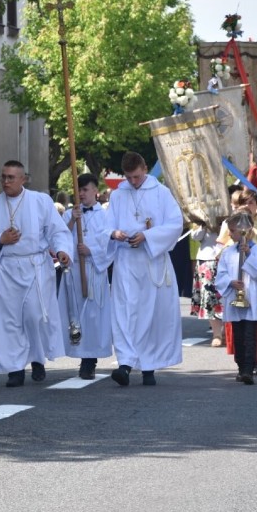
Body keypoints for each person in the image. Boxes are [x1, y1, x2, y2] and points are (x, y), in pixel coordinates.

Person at [0, 160, 72, 387]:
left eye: (11, 177)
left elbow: (57, 230)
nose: (6, 181)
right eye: (4, 177)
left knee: (34, 316)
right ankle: (14, 369)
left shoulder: (40, 201)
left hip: (35, 267)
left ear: (23, 179)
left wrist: (63, 251)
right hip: (6, 269)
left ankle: (37, 359)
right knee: (9, 320)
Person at [106, 151, 183, 386]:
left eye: (137, 177)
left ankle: (148, 366)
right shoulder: (118, 195)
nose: (133, 182)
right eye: (129, 178)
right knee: (125, 313)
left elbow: (175, 224)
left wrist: (147, 236)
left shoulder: (161, 193)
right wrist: (114, 233)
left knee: (150, 314)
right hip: (126, 263)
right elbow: (106, 225)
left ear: (145, 168)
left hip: (152, 262)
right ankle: (125, 364)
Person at [60, 173, 115, 379]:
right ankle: (78, 352)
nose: (81, 194)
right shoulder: (70, 214)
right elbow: (60, 238)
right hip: (75, 270)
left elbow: (111, 245)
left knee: (93, 316)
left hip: (95, 269)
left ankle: (90, 360)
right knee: (75, 314)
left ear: (95, 191)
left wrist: (91, 251)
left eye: (85, 190)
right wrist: (73, 222)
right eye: (79, 190)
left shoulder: (106, 215)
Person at [215, 212, 257, 384]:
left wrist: (248, 255)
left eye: (233, 231)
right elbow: (221, 274)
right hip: (235, 297)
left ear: (245, 232)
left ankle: (249, 369)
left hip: (252, 298)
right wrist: (230, 282)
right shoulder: (227, 253)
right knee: (238, 335)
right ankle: (241, 367)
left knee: (250, 335)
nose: (230, 234)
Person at [190, 222, 224, 346]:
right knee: (210, 297)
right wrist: (204, 224)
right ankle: (217, 333)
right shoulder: (199, 217)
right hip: (208, 257)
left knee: (228, 296)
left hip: (228, 256)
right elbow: (195, 236)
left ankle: (227, 330)